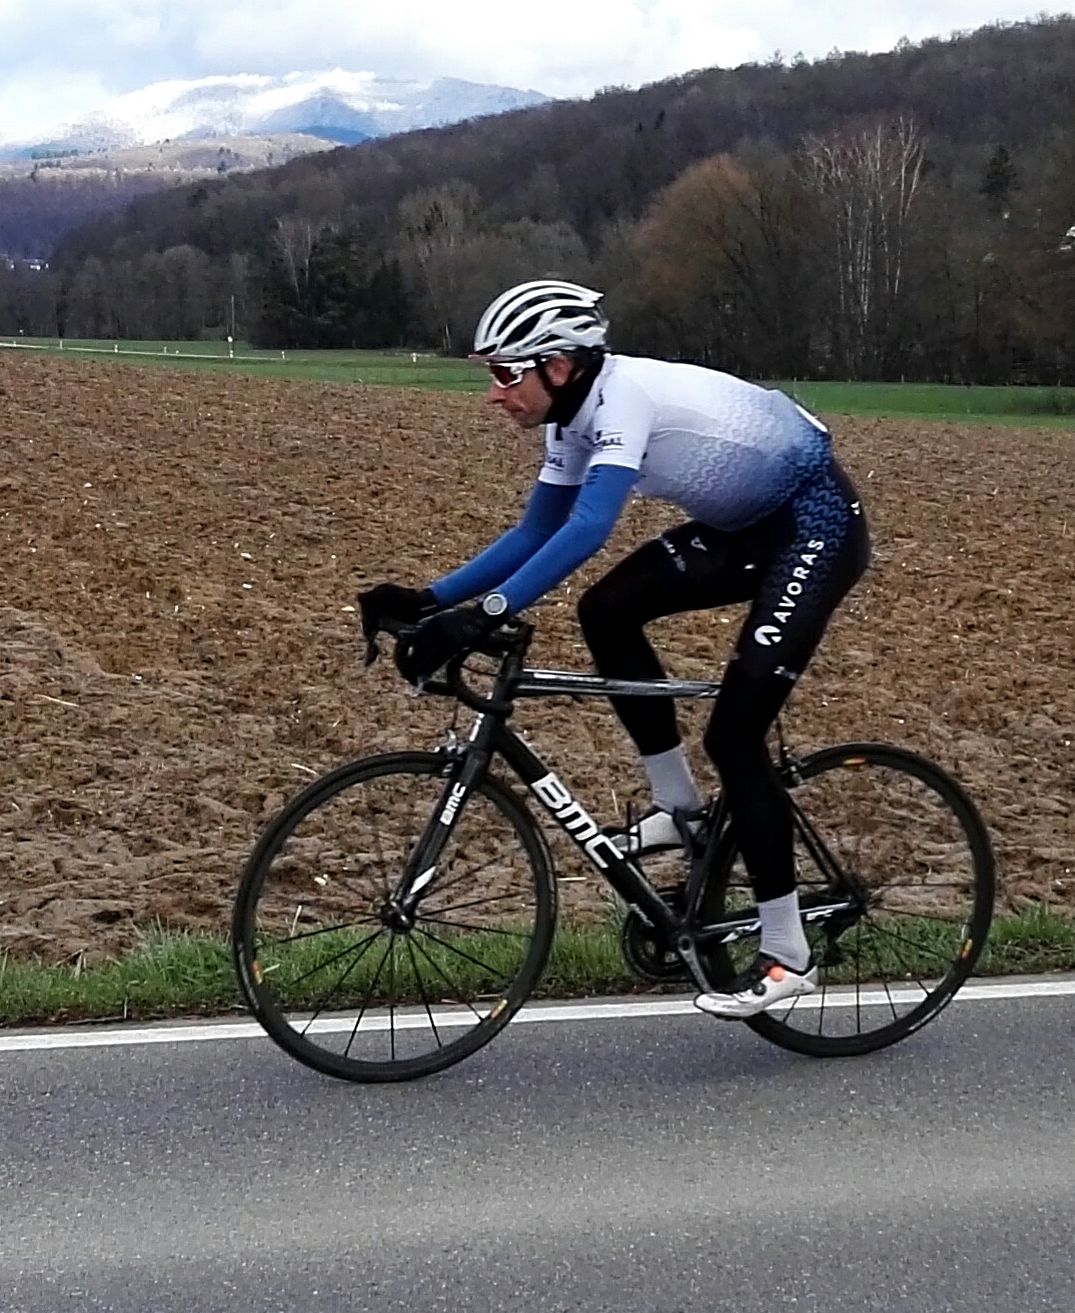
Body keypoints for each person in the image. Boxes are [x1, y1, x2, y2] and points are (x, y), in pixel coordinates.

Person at [357, 278, 869, 1018]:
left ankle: (788, 952)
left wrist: (485, 612)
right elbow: (536, 531)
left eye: (505, 373)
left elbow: (589, 528)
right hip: (747, 532)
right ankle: (680, 808)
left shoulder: (622, 397)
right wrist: (431, 599)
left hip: (813, 527)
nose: (494, 393)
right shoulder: (569, 422)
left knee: (734, 735)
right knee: (607, 610)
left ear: (558, 366)